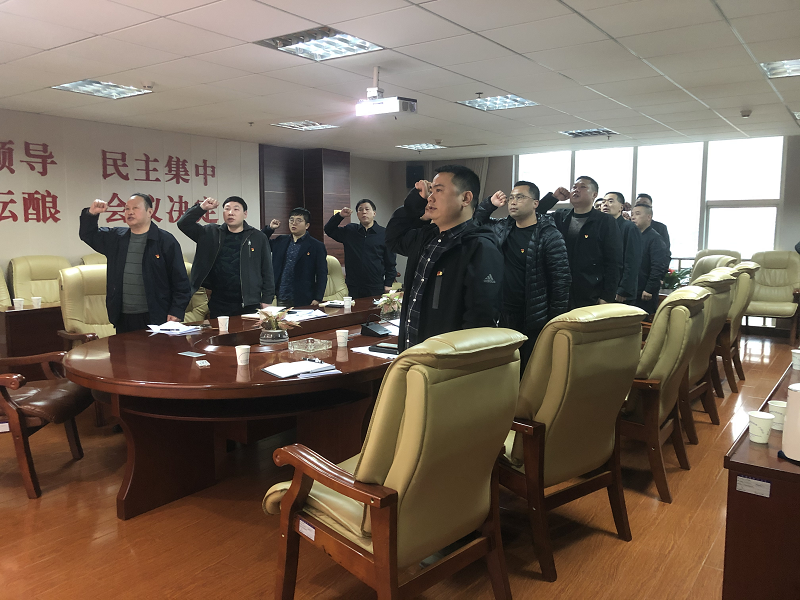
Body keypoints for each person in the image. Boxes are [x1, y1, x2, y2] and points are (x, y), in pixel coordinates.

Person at [386, 164, 503, 351]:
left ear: (465, 198)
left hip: (445, 360)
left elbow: (479, 321)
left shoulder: (480, 247)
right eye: (431, 190)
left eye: (439, 190)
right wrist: (415, 201)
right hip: (412, 354)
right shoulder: (427, 237)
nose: (430, 197)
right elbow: (393, 239)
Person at [474, 180, 570, 370]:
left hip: (532, 315)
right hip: (501, 312)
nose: (513, 202)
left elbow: (561, 281)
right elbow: (475, 223)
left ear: (535, 203)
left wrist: (555, 322)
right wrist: (490, 204)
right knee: (503, 366)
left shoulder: (549, 235)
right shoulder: (502, 228)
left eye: (520, 197)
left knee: (529, 368)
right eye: (511, 198)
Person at [79, 193, 191, 333]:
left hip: (156, 316)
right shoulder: (116, 238)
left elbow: (180, 281)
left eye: (135, 208)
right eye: (127, 209)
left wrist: (177, 310)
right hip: (122, 316)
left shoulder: (165, 241)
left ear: (150, 212)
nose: (130, 212)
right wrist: (91, 214)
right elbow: (88, 234)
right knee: (123, 348)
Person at [177, 195, 274, 319]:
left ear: (245, 214)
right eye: (227, 209)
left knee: (249, 331)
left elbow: (267, 270)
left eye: (236, 209)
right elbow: (183, 224)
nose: (230, 213)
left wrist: (267, 299)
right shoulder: (210, 233)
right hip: (219, 301)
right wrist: (201, 208)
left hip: (249, 303)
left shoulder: (258, 237)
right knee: (220, 331)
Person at [538, 176, 623, 308]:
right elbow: (534, 215)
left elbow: (614, 261)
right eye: (574, 187)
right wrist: (553, 198)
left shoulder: (605, 221)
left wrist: (607, 296)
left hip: (590, 292)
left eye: (582, 187)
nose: (576, 190)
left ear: (594, 195)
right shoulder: (560, 216)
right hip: (558, 289)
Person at [323, 198, 397, 298]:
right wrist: (340, 216)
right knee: (355, 308)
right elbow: (328, 229)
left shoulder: (384, 234)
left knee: (374, 308)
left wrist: (388, 283)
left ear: (374, 213)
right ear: (357, 215)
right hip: (353, 285)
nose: (364, 212)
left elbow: (390, 262)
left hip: (375, 285)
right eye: (360, 210)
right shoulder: (350, 231)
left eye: (367, 209)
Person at [263, 207, 327, 306]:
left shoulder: (316, 246)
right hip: (281, 294)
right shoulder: (281, 241)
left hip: (304, 297)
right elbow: (261, 243)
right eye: (291, 220)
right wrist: (270, 229)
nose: (294, 223)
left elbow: (321, 274)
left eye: (299, 220)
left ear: (307, 225)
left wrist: (318, 298)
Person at [601, 191, 642, 303]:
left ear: (621, 207)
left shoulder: (629, 228)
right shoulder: (600, 227)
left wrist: (624, 289)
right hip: (602, 287)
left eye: (610, 201)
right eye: (603, 202)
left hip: (620, 290)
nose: (605, 204)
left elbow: (632, 261)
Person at [630, 202, 669, 315]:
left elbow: (658, 266)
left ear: (649, 217)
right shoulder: (633, 236)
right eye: (632, 214)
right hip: (633, 289)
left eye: (637, 214)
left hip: (645, 291)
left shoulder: (655, 239)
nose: (633, 217)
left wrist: (649, 289)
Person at [635, 193, 671, 261]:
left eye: (645, 204)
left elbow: (666, 252)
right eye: (638, 204)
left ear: (650, 207)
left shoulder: (660, 228)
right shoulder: (629, 226)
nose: (641, 206)